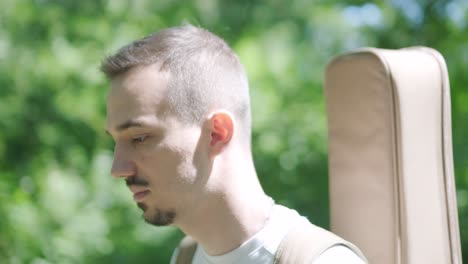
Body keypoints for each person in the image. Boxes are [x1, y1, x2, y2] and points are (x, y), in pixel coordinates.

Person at [102, 24, 367, 264]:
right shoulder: (185, 257)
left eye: (139, 138)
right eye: (115, 141)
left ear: (217, 133)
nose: (118, 168)